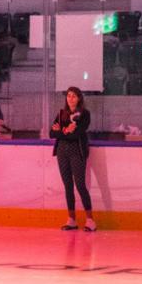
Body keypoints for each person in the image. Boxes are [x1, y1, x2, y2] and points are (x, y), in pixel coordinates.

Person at [50, 86, 95, 232]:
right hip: (62, 151)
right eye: (68, 96)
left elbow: (76, 135)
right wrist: (65, 132)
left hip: (77, 151)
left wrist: (61, 132)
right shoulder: (62, 114)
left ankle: (90, 220)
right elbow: (52, 133)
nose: (70, 98)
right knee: (67, 185)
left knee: (80, 185)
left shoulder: (84, 114)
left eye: (74, 96)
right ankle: (71, 219)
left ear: (79, 98)